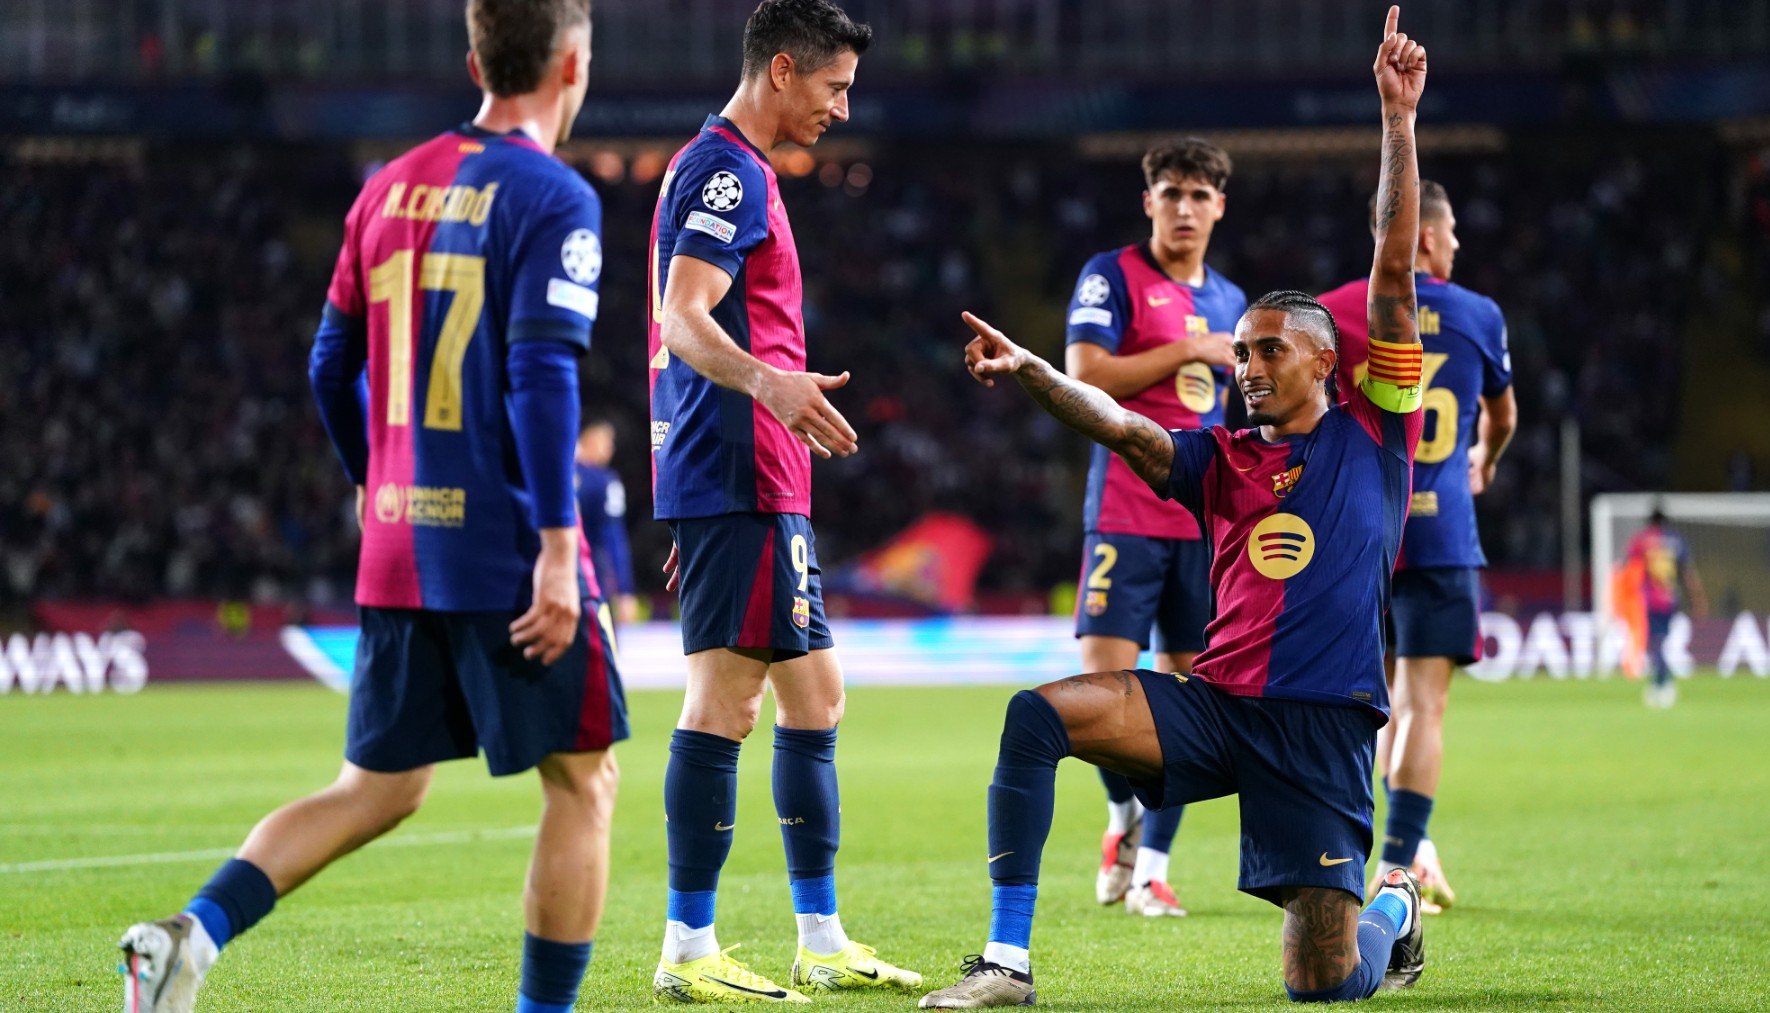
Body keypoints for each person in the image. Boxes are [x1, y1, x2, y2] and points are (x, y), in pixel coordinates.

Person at [118, 4, 628, 1013]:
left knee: (379, 786)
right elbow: (539, 374)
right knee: (583, 780)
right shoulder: (555, 196)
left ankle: (190, 933)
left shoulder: (386, 188)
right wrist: (561, 546)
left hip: (402, 541)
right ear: (572, 62)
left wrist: (369, 476)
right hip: (507, 549)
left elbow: (327, 366)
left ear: (475, 58)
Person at [921, 9, 1430, 1007]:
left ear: (1328, 359)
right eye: (1239, 351)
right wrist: (1031, 368)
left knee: (1323, 984)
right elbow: (1119, 424)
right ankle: (1007, 963)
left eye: (1267, 350)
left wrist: (1398, 121)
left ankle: (1394, 904)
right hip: (1217, 707)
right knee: (1038, 717)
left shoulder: (1378, 429)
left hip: (1324, 729)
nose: (1245, 366)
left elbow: (1394, 267)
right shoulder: (1218, 456)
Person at [645, 0, 919, 1002]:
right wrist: (772, 385)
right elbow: (683, 317)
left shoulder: (741, 172)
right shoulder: (723, 170)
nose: (843, 108)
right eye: (836, 86)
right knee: (727, 701)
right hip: (739, 470)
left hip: (756, 478)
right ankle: (688, 944)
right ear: (785, 69)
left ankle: (819, 933)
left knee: (817, 694)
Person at [1316, 179, 1517, 913]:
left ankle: (1384, 849)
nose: (1458, 242)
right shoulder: (1477, 316)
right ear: (1426, 236)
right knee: (1422, 708)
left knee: (1367, 706)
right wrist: (1485, 458)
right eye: (1453, 229)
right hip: (1438, 531)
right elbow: (1504, 414)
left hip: (1356, 536)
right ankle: (1398, 865)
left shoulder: (1332, 310)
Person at [1064, 137, 1246, 918]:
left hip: (1202, 521)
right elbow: (1085, 376)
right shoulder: (1112, 275)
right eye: (1171, 192)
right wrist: (1188, 349)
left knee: (1192, 698)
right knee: (1100, 696)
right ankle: (1123, 818)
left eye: (1200, 195)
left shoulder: (1236, 302)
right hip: (1124, 513)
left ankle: (1153, 870)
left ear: (1219, 207)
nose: (1184, 207)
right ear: (1149, 202)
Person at [1624, 506, 1708, 708]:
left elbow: (1630, 571)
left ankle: (1663, 683)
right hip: (1670, 600)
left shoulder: (1641, 540)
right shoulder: (1676, 540)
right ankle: (1660, 683)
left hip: (1648, 600)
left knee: (1655, 644)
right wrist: (1698, 599)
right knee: (1658, 642)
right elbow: (1688, 573)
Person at [575, 417, 638, 623]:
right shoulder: (604, 480)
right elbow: (613, 536)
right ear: (589, 439)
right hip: (592, 577)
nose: (610, 449)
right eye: (606, 442)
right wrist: (624, 589)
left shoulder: (555, 472)